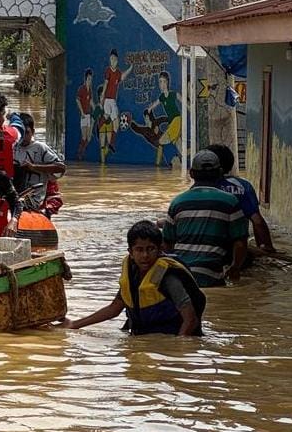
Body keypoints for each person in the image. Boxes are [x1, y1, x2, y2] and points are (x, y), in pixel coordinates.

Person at [62, 221, 205, 336]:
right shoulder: (132, 273)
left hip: (168, 341)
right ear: (130, 252)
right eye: (139, 250)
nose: (145, 255)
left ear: (160, 250)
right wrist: (74, 325)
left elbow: (190, 319)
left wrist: (180, 348)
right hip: (144, 339)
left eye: (150, 249)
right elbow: (114, 309)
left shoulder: (167, 277)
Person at [162, 149, 249, 287]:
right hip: (212, 277)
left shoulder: (177, 202)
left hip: (181, 275)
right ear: (220, 173)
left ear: (191, 173)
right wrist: (235, 268)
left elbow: (167, 244)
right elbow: (240, 243)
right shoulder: (231, 202)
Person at [208, 143, 275, 253]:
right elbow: (257, 221)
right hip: (237, 249)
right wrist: (266, 247)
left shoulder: (198, 188)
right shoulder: (243, 186)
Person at [13, 113, 65, 211]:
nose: (23, 137)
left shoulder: (40, 148)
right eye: (20, 133)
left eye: (26, 133)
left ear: (33, 132)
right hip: (15, 196)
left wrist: (34, 167)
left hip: (34, 200)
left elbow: (61, 168)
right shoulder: (12, 148)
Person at [98, 49, 133, 161]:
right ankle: (99, 126)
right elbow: (105, 83)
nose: (112, 61)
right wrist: (102, 96)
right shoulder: (108, 70)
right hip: (107, 99)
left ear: (117, 60)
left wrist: (130, 68)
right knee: (107, 115)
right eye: (111, 59)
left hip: (113, 100)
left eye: (114, 59)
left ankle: (111, 144)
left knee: (116, 124)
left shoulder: (118, 72)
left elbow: (123, 76)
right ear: (110, 59)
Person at [145, 71, 182, 167]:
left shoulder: (173, 94)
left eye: (163, 82)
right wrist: (149, 109)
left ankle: (163, 163)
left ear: (167, 82)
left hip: (176, 120)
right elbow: (156, 103)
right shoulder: (162, 97)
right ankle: (195, 152)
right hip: (171, 123)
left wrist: (191, 108)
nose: (161, 84)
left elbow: (183, 101)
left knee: (161, 141)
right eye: (160, 82)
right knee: (181, 148)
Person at [76, 68, 95, 161]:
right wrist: (82, 112)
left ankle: (81, 151)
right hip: (84, 116)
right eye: (88, 79)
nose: (90, 81)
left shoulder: (89, 90)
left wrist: (95, 108)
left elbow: (90, 101)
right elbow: (77, 100)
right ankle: (79, 153)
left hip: (88, 115)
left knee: (88, 138)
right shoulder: (82, 89)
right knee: (84, 137)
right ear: (85, 79)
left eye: (91, 79)